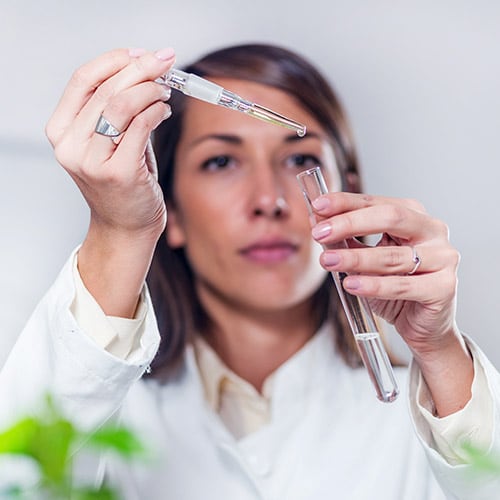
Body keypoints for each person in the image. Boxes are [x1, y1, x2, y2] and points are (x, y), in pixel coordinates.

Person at [0, 43, 499, 499]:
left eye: (299, 158)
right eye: (221, 162)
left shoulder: (436, 413)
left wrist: (441, 352)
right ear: (169, 205)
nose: (270, 200)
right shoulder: (107, 412)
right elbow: (22, 480)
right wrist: (119, 230)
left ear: (347, 195)